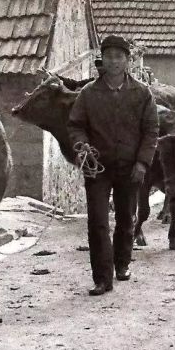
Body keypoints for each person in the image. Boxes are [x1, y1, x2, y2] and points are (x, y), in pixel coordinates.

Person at [68, 34, 159, 296]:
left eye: (119, 57)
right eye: (109, 57)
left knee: (125, 217)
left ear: (128, 61)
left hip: (130, 167)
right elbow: (75, 126)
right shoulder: (88, 94)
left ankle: (122, 263)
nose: (114, 62)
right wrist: (82, 144)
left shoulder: (142, 94)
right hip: (98, 168)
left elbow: (151, 130)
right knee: (97, 221)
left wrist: (143, 162)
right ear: (102, 60)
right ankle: (102, 278)